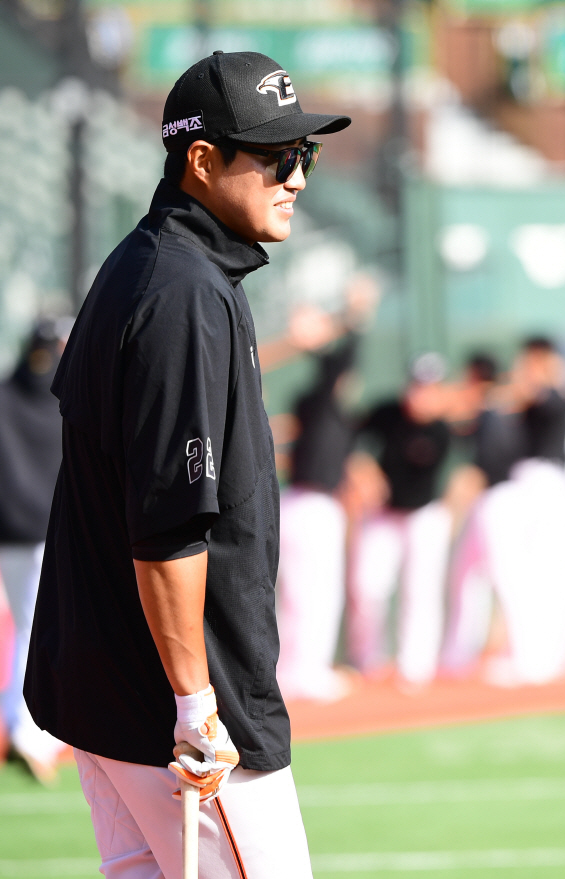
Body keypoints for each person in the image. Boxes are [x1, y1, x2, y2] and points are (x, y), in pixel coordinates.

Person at [24, 51, 349, 878]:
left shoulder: (145, 265)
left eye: (305, 155)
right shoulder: (184, 292)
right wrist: (196, 705)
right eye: (279, 157)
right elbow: (167, 524)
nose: (299, 176)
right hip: (181, 714)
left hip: (112, 692)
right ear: (202, 160)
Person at [443, 339, 565, 686]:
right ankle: (537, 654)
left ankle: (546, 656)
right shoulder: (518, 401)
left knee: (550, 575)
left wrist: (525, 379)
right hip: (526, 484)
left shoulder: (555, 390)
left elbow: (545, 391)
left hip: (548, 482)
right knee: (534, 575)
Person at [275, 280, 377, 703]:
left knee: (296, 593)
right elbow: (339, 362)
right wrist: (353, 318)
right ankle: (308, 671)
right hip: (313, 507)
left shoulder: (317, 409)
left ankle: (289, 672)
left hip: (297, 504)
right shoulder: (325, 403)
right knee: (317, 593)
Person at [347, 353, 454, 686]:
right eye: (417, 385)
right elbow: (348, 441)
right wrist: (362, 469)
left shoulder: (443, 429)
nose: (421, 393)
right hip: (384, 514)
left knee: (420, 591)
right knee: (367, 587)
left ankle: (416, 668)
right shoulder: (386, 413)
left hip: (424, 515)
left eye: (429, 387)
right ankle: (368, 662)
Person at [0, 319, 71, 783]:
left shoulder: (5, 394)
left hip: (9, 532)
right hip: (48, 531)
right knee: (41, 629)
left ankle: (18, 724)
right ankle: (27, 732)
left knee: (28, 625)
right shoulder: (65, 398)